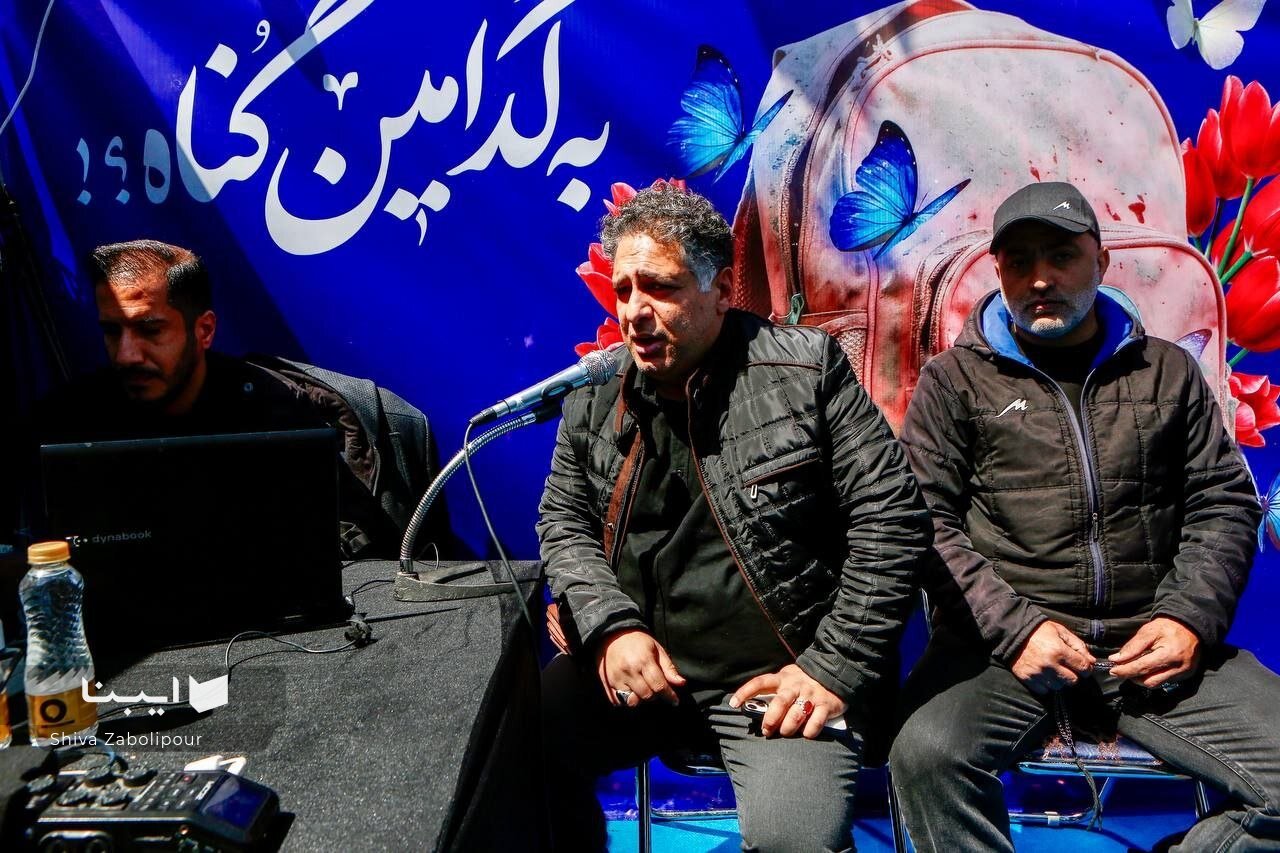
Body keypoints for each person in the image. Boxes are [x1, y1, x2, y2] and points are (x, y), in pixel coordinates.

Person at [537, 183, 932, 851]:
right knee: (505, 750)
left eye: (659, 288)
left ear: (722, 289)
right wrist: (609, 627)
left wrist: (832, 668)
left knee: (793, 841)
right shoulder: (595, 390)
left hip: (778, 685)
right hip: (643, 673)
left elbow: (892, 518)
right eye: (624, 290)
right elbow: (563, 520)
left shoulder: (806, 372)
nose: (634, 311)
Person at [892, 181, 1280, 851]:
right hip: (1004, 655)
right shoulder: (954, 381)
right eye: (1019, 262)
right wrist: (1017, 630)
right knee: (926, 756)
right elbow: (925, 520)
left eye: (1061, 256)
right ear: (998, 271)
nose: (1040, 278)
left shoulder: (1167, 372)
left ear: (1100, 262)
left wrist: (1188, 618)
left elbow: (1222, 502)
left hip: (1151, 652)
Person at [35, 240, 447, 559]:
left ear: (204, 331)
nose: (127, 354)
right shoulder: (69, 422)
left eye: (150, 330)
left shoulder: (282, 416)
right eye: (112, 331)